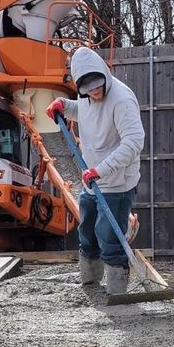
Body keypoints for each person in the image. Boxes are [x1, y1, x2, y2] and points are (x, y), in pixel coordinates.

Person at [45, 47, 145, 295]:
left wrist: (101, 170)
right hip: (92, 179)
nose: (95, 93)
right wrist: (65, 106)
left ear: (104, 75)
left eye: (98, 87)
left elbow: (134, 142)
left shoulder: (122, 100)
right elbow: (85, 112)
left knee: (109, 238)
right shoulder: (86, 94)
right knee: (87, 233)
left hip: (117, 183)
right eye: (88, 90)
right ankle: (90, 286)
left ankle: (117, 293)